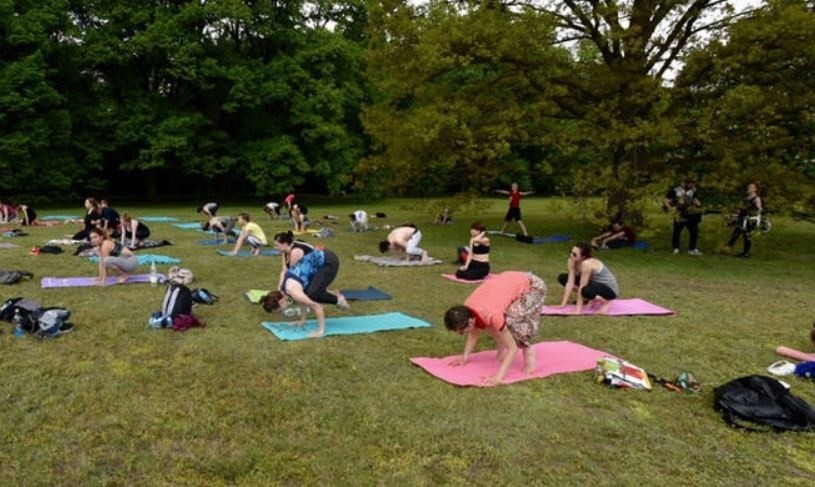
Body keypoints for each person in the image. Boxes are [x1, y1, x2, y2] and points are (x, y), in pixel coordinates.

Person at [444, 271, 547, 386]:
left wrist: (499, 376)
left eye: (461, 332)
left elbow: (512, 348)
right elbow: (473, 333)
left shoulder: (492, 314)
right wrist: (464, 357)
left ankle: (528, 350)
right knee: (491, 324)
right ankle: (502, 346)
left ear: (470, 321)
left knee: (511, 318)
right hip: (515, 279)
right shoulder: (468, 308)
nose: (462, 334)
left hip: (533, 286)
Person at [261, 248, 349, 338]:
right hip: (321, 260)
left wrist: (320, 331)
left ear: (281, 302)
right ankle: (334, 295)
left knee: (313, 294)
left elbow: (317, 306)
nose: (282, 311)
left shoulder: (291, 290)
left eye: (279, 310)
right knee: (310, 292)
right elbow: (302, 302)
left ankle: (339, 299)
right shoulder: (284, 290)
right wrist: (302, 321)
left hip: (328, 261)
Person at [271, 230, 350, 307]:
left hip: (326, 262)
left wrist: (287, 293)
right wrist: (280, 289)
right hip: (315, 266)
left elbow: (295, 276)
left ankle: (338, 300)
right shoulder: (285, 251)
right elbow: (284, 270)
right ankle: (333, 294)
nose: (275, 247)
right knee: (308, 290)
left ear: (285, 244)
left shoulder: (296, 252)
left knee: (312, 292)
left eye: (277, 245)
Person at [555, 243, 620, 314]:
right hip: (594, 284)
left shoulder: (587, 264)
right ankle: (590, 299)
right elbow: (570, 283)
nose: (571, 255)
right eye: (571, 252)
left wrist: (577, 311)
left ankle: (606, 302)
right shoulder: (571, 261)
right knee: (563, 278)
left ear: (583, 257)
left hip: (610, 290)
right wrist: (563, 304)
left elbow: (582, 287)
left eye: (574, 254)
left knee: (584, 290)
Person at [664, 179, 703, 255]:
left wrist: (698, 204)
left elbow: (695, 199)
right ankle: (676, 248)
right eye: (692, 184)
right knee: (677, 231)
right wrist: (670, 208)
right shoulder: (676, 190)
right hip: (679, 213)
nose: (693, 186)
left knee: (694, 231)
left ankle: (692, 249)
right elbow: (666, 199)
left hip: (691, 213)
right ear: (686, 183)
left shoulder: (693, 191)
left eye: (694, 184)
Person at [727, 182, 763, 258]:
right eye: (748, 187)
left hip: (749, 219)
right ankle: (728, 247)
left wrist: (754, 217)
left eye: (751, 187)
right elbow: (741, 208)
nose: (749, 188)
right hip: (742, 218)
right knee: (736, 233)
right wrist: (735, 215)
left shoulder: (756, 199)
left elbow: (759, 210)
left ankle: (745, 252)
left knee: (747, 235)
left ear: (755, 189)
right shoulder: (746, 198)